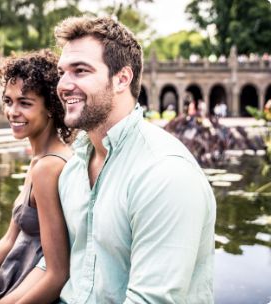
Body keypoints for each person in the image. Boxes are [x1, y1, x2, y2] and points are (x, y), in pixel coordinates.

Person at [39, 16, 216, 303]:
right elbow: (53, 266)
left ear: (122, 78)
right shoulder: (73, 168)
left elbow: (150, 300)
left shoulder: (165, 173)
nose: (63, 84)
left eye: (80, 71)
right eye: (63, 72)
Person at [0, 50, 73, 304]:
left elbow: (57, 273)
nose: (13, 111)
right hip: (12, 280)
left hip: (24, 292)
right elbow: (8, 241)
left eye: (25, 103)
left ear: (50, 107)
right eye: (8, 100)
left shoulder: (49, 167)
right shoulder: (40, 160)